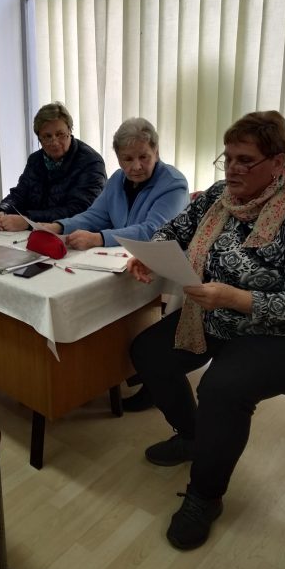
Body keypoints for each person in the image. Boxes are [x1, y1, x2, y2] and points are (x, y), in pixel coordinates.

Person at [126, 110, 285, 551]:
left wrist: (237, 299)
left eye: (245, 160)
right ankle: (192, 437)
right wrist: (149, 254)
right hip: (215, 316)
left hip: (282, 334)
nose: (232, 169)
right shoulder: (216, 197)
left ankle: (205, 495)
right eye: (227, 158)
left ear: (278, 162)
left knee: (222, 389)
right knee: (148, 352)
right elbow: (174, 230)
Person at [42, 116, 189, 411]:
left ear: (156, 151)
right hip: (123, 258)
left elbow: (154, 230)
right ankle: (113, 370)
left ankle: (154, 378)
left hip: (164, 266)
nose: (136, 166)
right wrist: (59, 226)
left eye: (143, 157)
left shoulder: (173, 184)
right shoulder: (117, 180)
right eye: (127, 159)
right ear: (118, 158)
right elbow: (95, 215)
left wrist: (99, 238)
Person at [0, 101, 106, 231]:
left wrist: (29, 221)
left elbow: (80, 209)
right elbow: (19, 195)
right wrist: (0, 210)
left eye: (60, 134)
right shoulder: (35, 160)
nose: (54, 142)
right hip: (36, 233)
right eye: (47, 136)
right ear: (39, 138)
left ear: (70, 131)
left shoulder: (91, 162)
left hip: (73, 234)